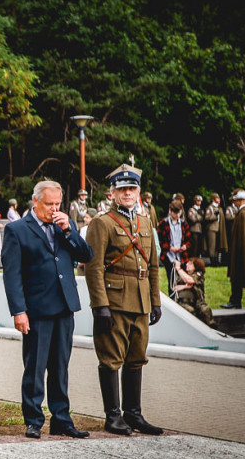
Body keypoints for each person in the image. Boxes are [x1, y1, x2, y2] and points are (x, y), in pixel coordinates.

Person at [2, 180, 92, 440]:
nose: (54, 209)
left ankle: (62, 419)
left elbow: (86, 255)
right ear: (35, 201)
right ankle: (33, 420)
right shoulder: (17, 230)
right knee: (35, 367)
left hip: (65, 306)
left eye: (57, 204)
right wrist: (18, 311)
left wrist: (69, 232)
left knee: (60, 367)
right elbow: (12, 275)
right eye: (49, 204)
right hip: (37, 310)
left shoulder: (66, 225)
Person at [84, 164, 163, 437]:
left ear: (138, 192)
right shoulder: (102, 223)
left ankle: (134, 413)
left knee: (137, 358)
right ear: (112, 193)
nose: (127, 193)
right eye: (122, 189)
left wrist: (155, 301)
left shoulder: (146, 223)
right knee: (111, 359)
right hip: (115, 300)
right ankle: (113, 416)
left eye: (132, 188)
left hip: (141, 301)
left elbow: (153, 266)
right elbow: (93, 267)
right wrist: (100, 305)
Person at [157, 199, 191, 295]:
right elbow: (160, 240)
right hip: (169, 255)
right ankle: (172, 298)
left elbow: (189, 240)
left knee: (182, 278)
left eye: (179, 212)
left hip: (182, 256)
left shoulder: (184, 224)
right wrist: (169, 248)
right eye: (175, 212)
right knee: (171, 279)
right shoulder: (163, 223)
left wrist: (185, 246)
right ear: (170, 211)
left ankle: (182, 299)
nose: (177, 215)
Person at [173, 258, 214, 327]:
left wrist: (179, 268)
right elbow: (175, 288)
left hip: (198, 302)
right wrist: (185, 286)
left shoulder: (198, 274)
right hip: (183, 302)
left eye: (190, 263)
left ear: (196, 266)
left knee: (205, 310)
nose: (187, 264)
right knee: (189, 311)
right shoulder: (183, 275)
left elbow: (190, 280)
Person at [204, 193, 223, 265]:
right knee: (212, 245)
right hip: (211, 228)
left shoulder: (218, 207)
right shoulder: (210, 208)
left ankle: (216, 259)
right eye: (217, 198)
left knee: (217, 245)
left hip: (217, 228)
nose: (219, 199)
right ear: (213, 199)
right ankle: (212, 260)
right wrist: (215, 216)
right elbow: (207, 217)